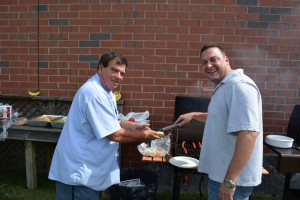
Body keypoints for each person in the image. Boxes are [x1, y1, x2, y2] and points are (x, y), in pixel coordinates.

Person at [48, 51, 160, 200]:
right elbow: (113, 134)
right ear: (101, 68)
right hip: (79, 170)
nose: (119, 76)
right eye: (114, 70)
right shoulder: (94, 94)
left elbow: (113, 119)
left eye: (122, 73)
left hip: (89, 169)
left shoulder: (106, 91)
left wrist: (135, 126)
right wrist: (143, 136)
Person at [175, 45, 263, 200]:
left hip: (231, 179)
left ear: (226, 60)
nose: (208, 65)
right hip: (222, 174)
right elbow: (221, 116)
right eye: (204, 62)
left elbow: (249, 133)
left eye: (213, 59)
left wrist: (230, 181)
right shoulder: (225, 85)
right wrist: (194, 115)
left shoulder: (239, 86)